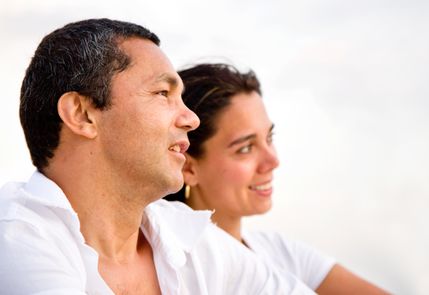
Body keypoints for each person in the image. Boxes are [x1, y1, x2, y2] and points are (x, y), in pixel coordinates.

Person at [0, 19, 317, 294]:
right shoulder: (14, 239)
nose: (191, 119)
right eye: (163, 93)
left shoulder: (192, 241)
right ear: (82, 114)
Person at [165, 63, 390, 294]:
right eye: (245, 148)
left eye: (269, 138)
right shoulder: (175, 271)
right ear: (188, 168)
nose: (273, 160)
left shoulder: (280, 252)